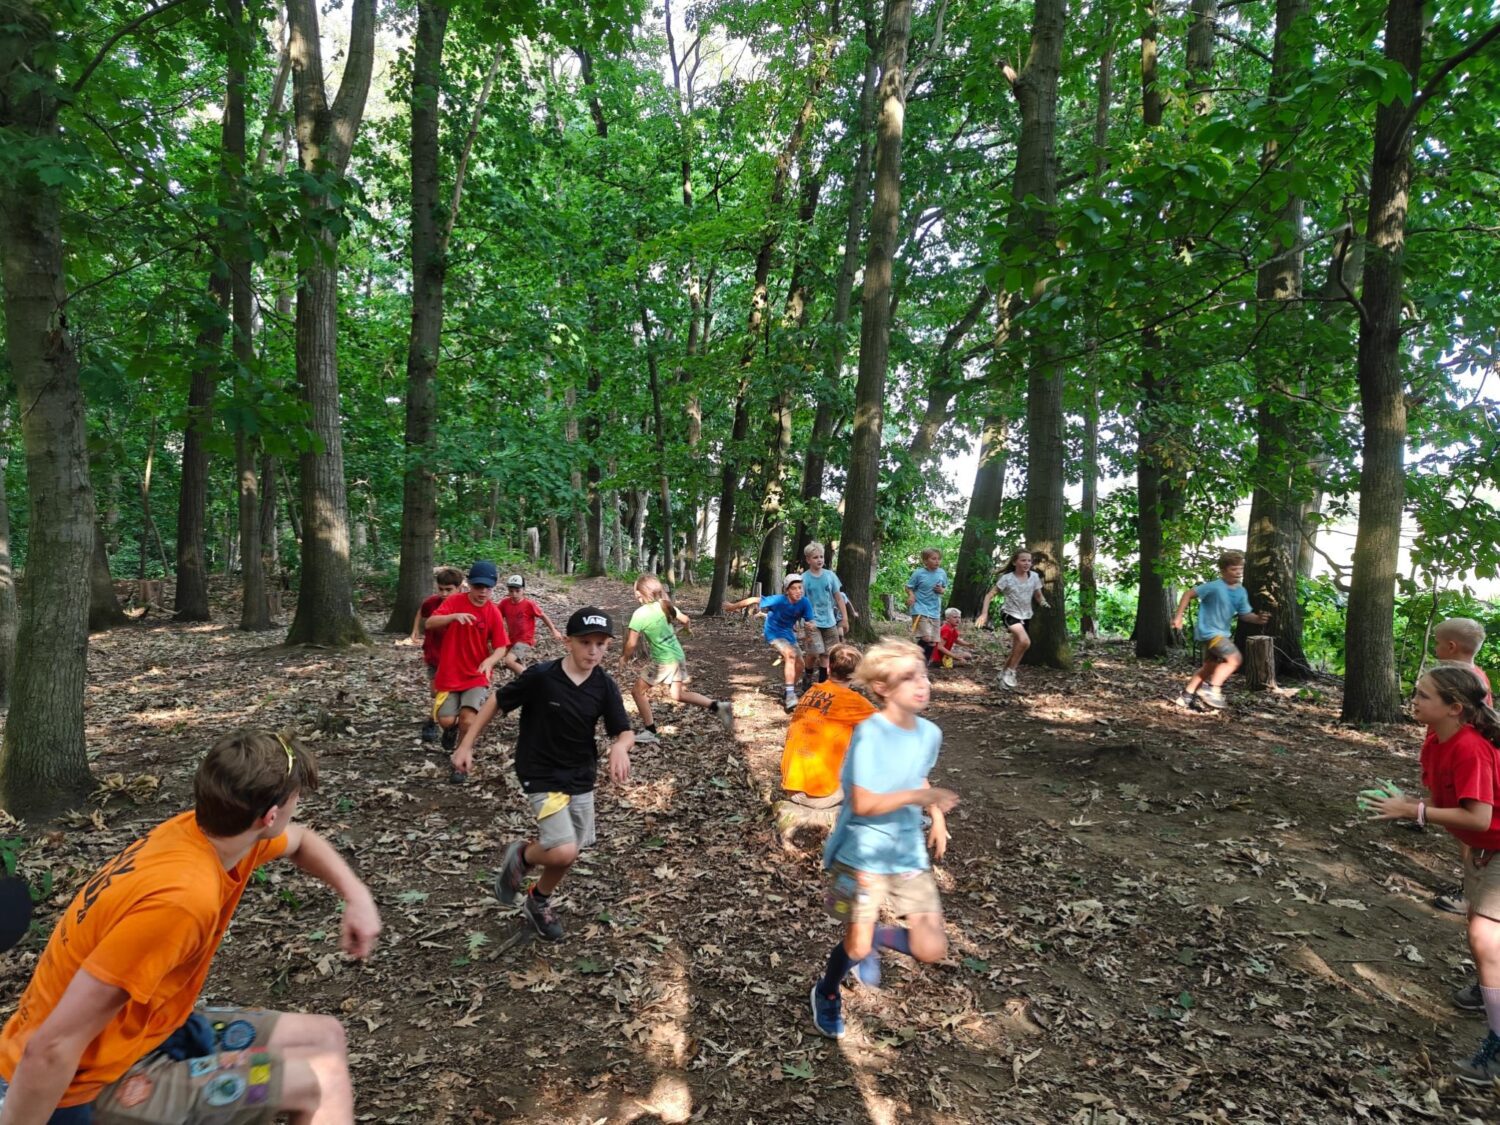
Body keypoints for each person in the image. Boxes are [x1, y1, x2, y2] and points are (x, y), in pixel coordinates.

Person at [0, 730, 381, 1123]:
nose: (296, 809)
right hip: (85, 1085)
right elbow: (52, 1048)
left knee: (326, 1037)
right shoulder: (180, 900)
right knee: (320, 1082)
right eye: (295, 799)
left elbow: (301, 842)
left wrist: (357, 896)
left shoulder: (209, 834)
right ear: (269, 817)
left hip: (147, 1033)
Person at [809, 639, 958, 1039]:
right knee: (855, 948)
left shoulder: (930, 734)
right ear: (882, 688)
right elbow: (864, 803)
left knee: (931, 948)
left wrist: (937, 816)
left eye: (923, 674)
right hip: (862, 853)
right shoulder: (870, 734)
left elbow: (917, 776)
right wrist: (920, 798)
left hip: (907, 850)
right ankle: (827, 990)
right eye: (908, 678)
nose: (922, 684)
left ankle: (874, 935)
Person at [1366, 665, 1500, 1084]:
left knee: (1484, 936)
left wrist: (1415, 811)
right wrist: (1408, 802)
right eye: (1416, 691)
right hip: (1487, 850)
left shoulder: (1469, 748)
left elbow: (1479, 817)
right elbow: (1448, 801)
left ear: (1454, 707)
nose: (1414, 700)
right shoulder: (1435, 739)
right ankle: (1490, 993)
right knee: (1486, 939)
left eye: (1423, 695)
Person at [490, 608, 635, 942]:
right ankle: (522, 856)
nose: (593, 651)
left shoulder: (604, 685)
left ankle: (538, 899)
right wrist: (466, 744)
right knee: (563, 849)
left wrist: (620, 746)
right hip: (540, 771)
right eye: (585, 642)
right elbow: (497, 700)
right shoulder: (542, 676)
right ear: (568, 641)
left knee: (571, 848)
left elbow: (624, 730)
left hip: (580, 775)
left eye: (601, 644)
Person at [428, 561, 523, 782]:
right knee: (446, 720)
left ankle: (461, 759)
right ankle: (450, 730)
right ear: (469, 584)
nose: (483, 592)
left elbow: (501, 647)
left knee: (468, 720)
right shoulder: (454, 601)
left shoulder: (493, 612)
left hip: (476, 675)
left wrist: (490, 661)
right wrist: (453, 616)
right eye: (478, 586)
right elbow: (430, 623)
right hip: (450, 672)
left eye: (488, 587)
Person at [775, 644, 875, 851]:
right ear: (857, 675)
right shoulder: (852, 701)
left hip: (791, 787)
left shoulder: (812, 691)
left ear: (828, 668)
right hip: (821, 795)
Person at [622, 575, 734, 744]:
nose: (636, 596)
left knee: (637, 692)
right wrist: (687, 630)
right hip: (677, 656)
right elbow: (686, 620)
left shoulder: (640, 614)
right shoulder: (665, 605)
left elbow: (631, 643)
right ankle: (718, 706)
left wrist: (624, 658)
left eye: (636, 593)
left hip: (663, 661)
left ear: (640, 593)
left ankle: (650, 732)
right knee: (678, 694)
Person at [1170, 551, 1269, 711]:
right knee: (1235, 659)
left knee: (1209, 667)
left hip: (1221, 634)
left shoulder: (1240, 591)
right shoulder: (1214, 587)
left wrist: (1258, 619)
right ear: (1223, 571)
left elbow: (1244, 614)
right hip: (1209, 633)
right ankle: (1212, 689)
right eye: (1233, 569)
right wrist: (1178, 617)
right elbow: (1188, 594)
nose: (1238, 572)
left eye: (1240, 569)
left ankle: (1185, 697)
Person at [722, 573, 819, 712]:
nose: (798, 591)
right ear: (787, 590)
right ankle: (790, 695)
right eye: (794, 588)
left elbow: (811, 621)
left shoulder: (804, 602)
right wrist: (732, 607)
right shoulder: (778, 600)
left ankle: (788, 690)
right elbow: (754, 599)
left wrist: (811, 627)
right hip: (774, 633)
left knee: (800, 665)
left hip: (789, 635)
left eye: (800, 588)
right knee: (790, 655)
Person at [976, 549, 1050, 687]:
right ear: (1015, 562)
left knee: (1018, 648)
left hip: (1026, 616)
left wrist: (1044, 603)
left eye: (1029, 561)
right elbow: (989, 595)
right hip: (1009, 614)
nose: (1027, 563)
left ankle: (1002, 676)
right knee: (1025, 641)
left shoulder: (1034, 577)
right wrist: (984, 613)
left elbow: (1038, 595)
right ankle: (1011, 671)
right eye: (1023, 560)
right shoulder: (1007, 578)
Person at [409, 566, 464, 742]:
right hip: (434, 653)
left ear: (459, 588)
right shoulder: (432, 602)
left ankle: (435, 722)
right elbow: (421, 611)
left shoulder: (464, 604)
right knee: (435, 692)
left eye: (449, 589)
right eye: (441, 589)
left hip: (455, 658)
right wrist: (415, 629)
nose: (444, 593)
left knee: (446, 691)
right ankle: (444, 720)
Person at [798, 543, 848, 691]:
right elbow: (800, 602)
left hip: (830, 621)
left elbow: (839, 598)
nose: (819, 560)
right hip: (812, 622)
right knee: (813, 653)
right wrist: (799, 622)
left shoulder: (830, 576)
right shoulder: (804, 579)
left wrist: (844, 618)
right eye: (815, 557)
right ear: (808, 560)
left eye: (821, 556)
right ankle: (807, 680)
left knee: (827, 654)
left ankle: (822, 685)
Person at [497, 575, 565, 669]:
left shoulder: (529, 604)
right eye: (511, 591)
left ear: (523, 590)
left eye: (517, 591)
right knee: (510, 661)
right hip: (511, 639)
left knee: (509, 661)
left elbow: (543, 616)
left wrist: (554, 630)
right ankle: (525, 674)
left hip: (525, 640)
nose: (514, 594)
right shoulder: (505, 603)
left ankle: (527, 677)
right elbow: (496, 615)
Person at [1435, 617, 1493, 708]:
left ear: (1451, 647)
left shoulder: (1451, 678)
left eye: (1437, 643)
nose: (1435, 648)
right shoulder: (1480, 674)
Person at [905, 549, 949, 664]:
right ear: (925, 561)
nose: (937, 561)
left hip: (935, 610)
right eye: (933, 559)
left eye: (939, 559)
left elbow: (944, 588)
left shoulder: (942, 573)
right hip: (920, 608)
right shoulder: (918, 573)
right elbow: (908, 587)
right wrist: (911, 596)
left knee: (933, 642)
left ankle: (923, 665)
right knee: (926, 638)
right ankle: (913, 657)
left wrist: (941, 590)